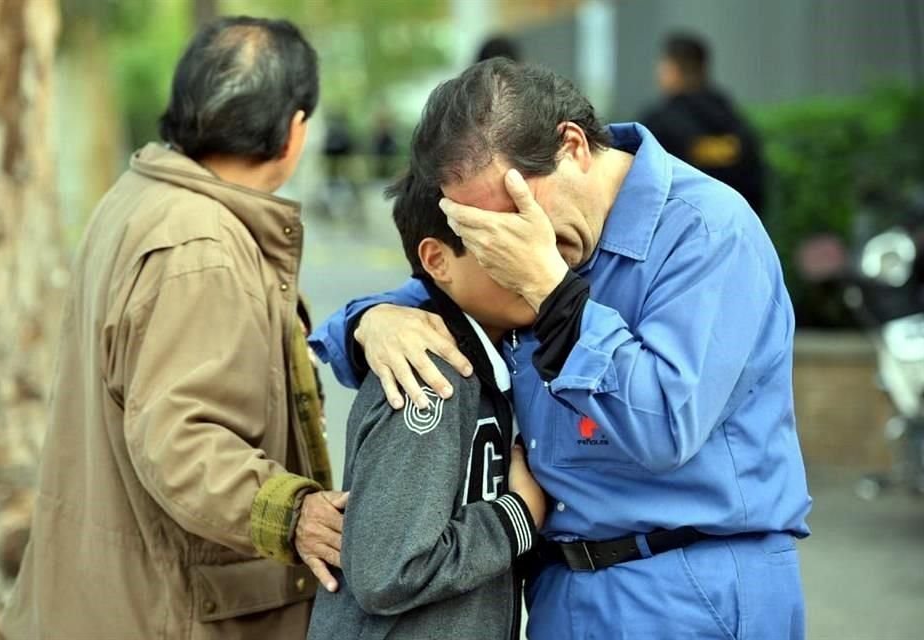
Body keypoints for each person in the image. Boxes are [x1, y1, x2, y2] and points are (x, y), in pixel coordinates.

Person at [310, 58, 811, 640]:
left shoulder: (706, 233)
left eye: (516, 218)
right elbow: (404, 313)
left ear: (571, 146)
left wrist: (552, 292)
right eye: (484, 235)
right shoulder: (514, 249)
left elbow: (664, 427)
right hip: (559, 590)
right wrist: (372, 320)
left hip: (688, 586)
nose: (508, 249)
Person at [2, 17, 345, 640]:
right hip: (161, 615)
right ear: (295, 131)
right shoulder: (202, 247)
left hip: (102, 600)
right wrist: (291, 512)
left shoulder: (140, 196)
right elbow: (181, 440)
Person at [307, 172, 544, 640]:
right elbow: (388, 570)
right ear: (437, 259)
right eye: (501, 241)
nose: (533, 259)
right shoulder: (431, 371)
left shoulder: (491, 359)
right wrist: (518, 515)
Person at [642, 32, 767, 213]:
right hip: (735, 226)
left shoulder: (658, 124)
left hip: (680, 230)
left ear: (672, 71)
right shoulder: (735, 122)